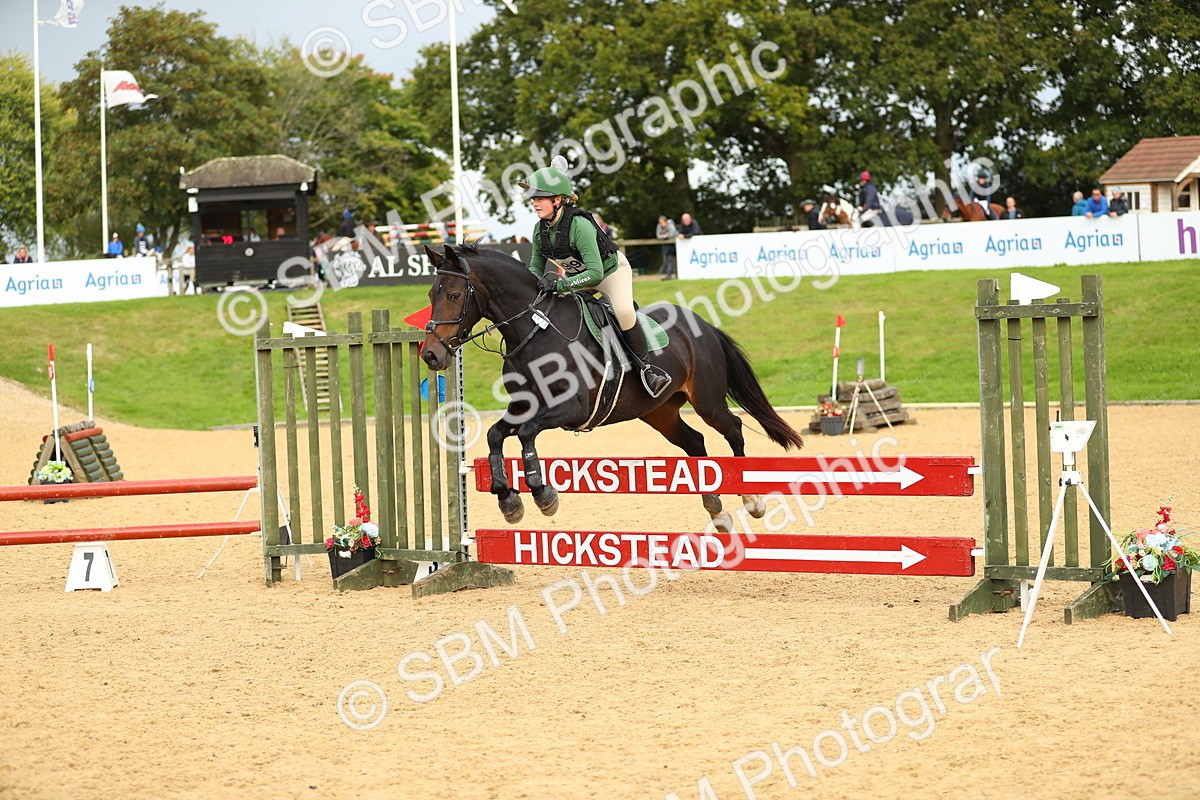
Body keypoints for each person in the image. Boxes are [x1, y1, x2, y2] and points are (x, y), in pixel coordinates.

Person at [519, 161, 671, 397]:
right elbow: (535, 269)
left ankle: (648, 370)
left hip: (610, 273)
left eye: (540, 198)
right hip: (580, 278)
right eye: (533, 199)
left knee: (623, 311)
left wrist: (559, 285)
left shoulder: (579, 225)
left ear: (557, 200)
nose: (534, 203)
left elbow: (596, 273)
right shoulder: (540, 231)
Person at [655, 215, 677, 280]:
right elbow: (658, 236)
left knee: (672, 261)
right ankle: (669, 275)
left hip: (673, 245)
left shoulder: (671, 226)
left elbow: (671, 235)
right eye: (660, 223)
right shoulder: (659, 226)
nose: (661, 225)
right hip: (666, 245)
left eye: (662, 223)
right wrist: (665, 235)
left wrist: (663, 235)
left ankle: (671, 275)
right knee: (668, 261)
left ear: (666, 222)